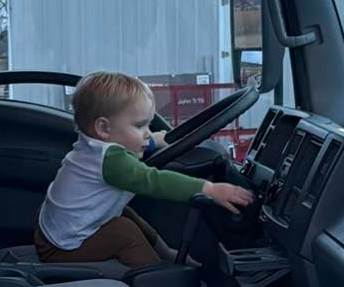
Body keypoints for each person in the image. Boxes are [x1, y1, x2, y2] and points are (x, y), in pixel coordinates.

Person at [34, 71, 253, 269]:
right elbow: (153, 181)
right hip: (61, 248)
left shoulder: (95, 148)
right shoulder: (111, 161)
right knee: (123, 232)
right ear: (103, 128)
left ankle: (165, 253)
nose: (148, 133)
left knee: (125, 214)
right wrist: (209, 189)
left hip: (56, 233)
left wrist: (153, 142)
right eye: (140, 126)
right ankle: (157, 278)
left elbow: (125, 142)